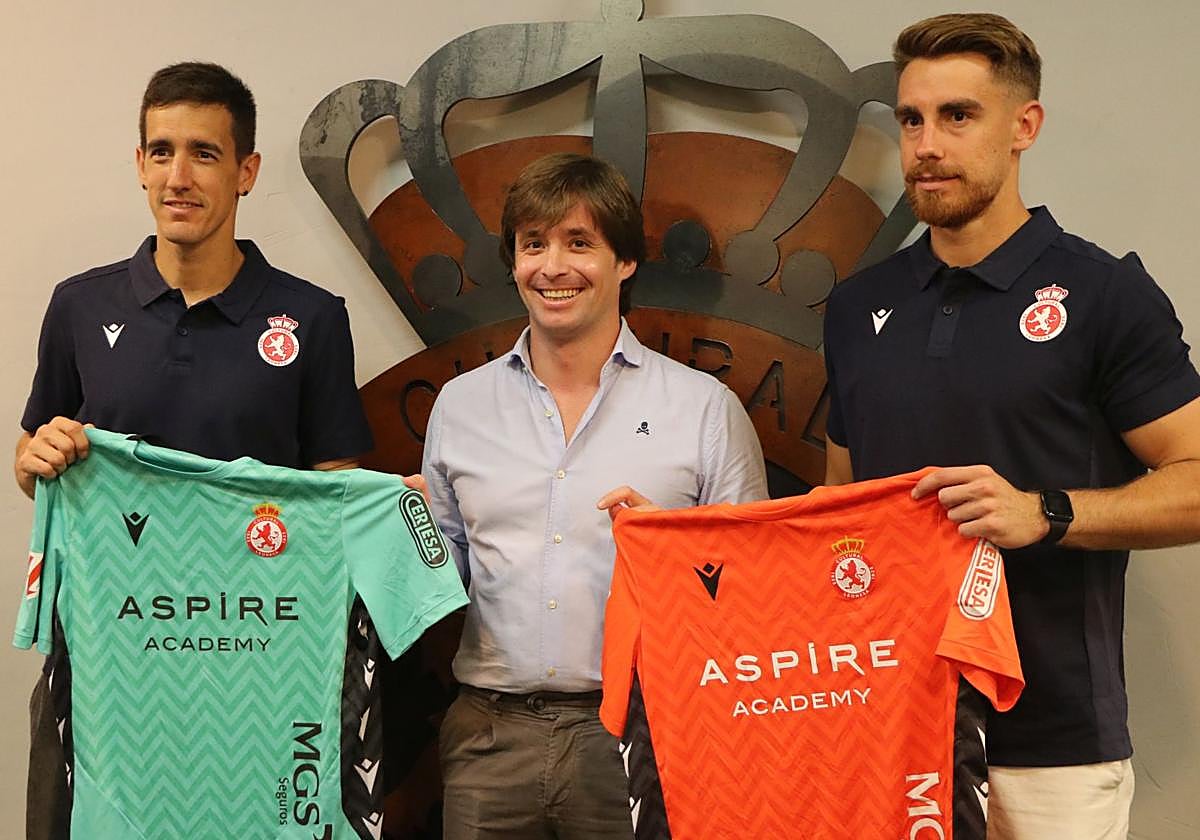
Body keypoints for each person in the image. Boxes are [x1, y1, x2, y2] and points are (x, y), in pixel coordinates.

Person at [822, 13, 1200, 840]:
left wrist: (1046, 512)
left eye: (958, 116)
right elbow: (838, 513)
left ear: (1024, 126)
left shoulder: (1104, 295)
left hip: (1053, 743)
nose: (926, 144)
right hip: (887, 728)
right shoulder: (856, 308)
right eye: (911, 119)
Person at [15, 62, 374, 839]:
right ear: (139, 164)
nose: (179, 176)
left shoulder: (311, 319)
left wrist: (387, 509)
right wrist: (35, 459)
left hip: (259, 658)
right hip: (110, 656)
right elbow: (31, 454)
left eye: (205, 154)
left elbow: (335, 488)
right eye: (161, 151)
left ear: (245, 171)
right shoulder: (80, 305)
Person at [417, 152, 766, 839]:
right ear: (513, 261)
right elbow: (440, 583)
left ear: (625, 262)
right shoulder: (459, 407)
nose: (553, 267)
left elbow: (757, 592)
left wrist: (678, 552)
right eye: (533, 244)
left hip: (644, 734)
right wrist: (400, 536)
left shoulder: (703, 409)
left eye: (580, 243)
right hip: (489, 741)